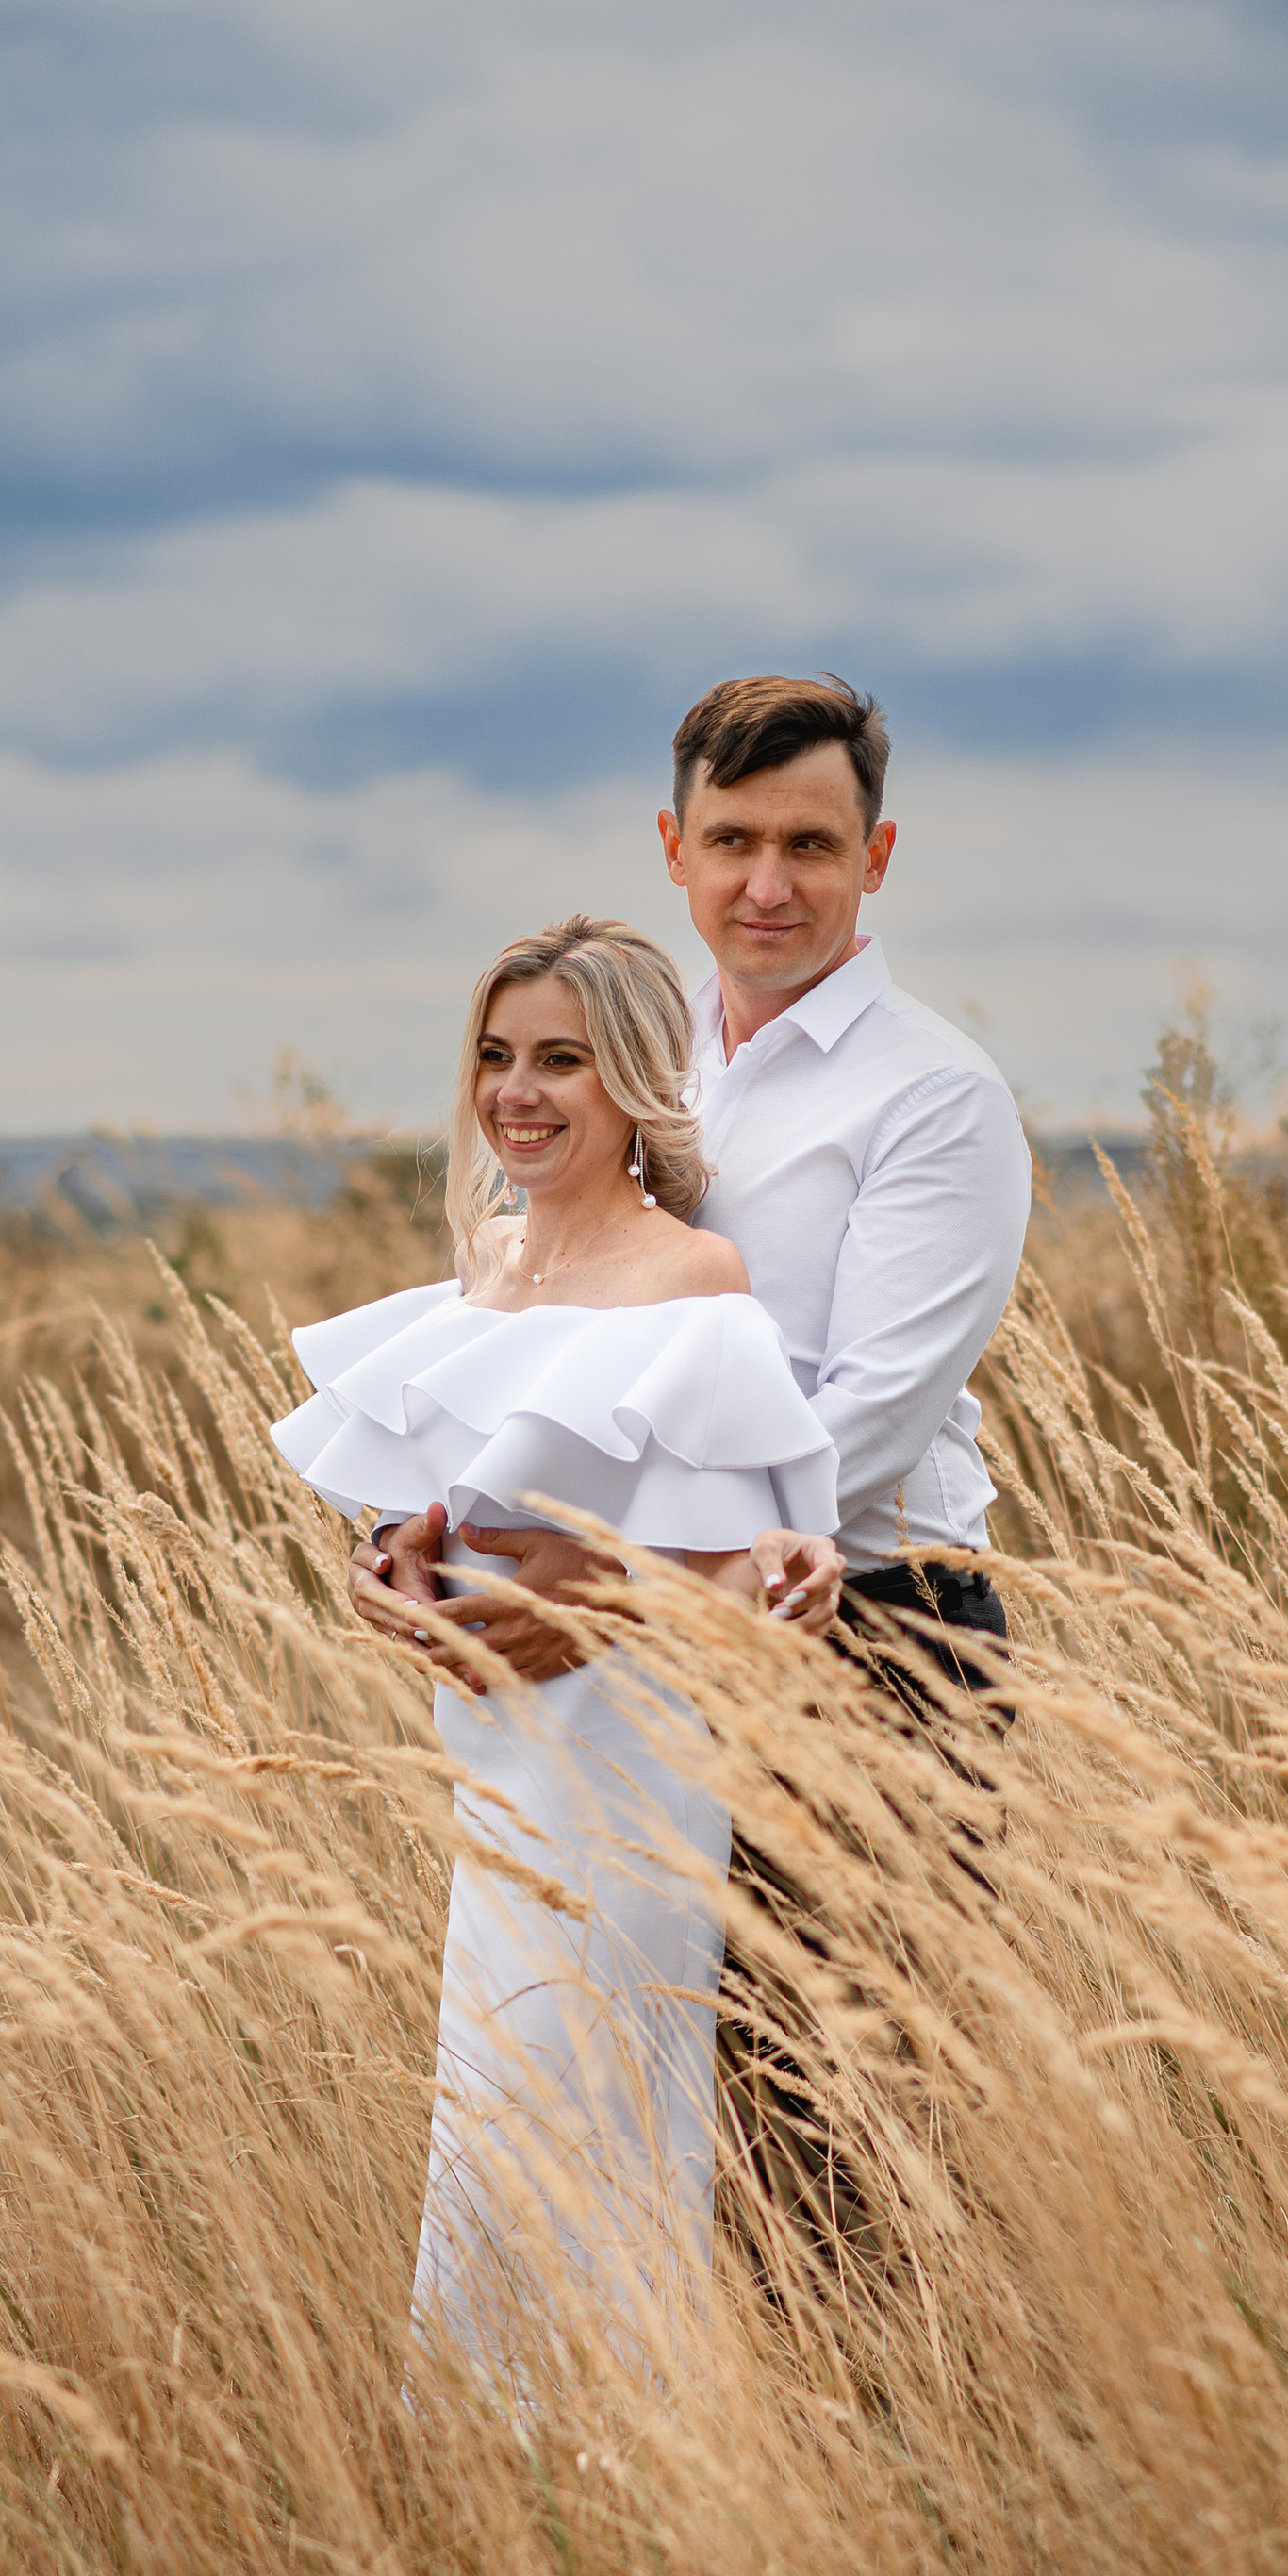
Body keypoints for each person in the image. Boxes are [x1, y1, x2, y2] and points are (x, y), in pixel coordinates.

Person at [345, 677, 1034, 2244]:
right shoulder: (647, 1065)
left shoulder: (935, 1096)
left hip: (868, 1638)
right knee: (634, 2106)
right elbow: (547, 1320)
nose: (769, 883)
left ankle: (874, 2477)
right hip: (626, 1671)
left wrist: (615, 1582)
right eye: (733, 840)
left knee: (831, 2147)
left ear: (879, 855)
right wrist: (425, 1527)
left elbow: (864, 1421)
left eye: (812, 842)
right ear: (673, 846)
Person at [272, 916, 845, 2376]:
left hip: (631, 1774)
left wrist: (601, 1596)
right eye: (496, 1057)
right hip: (501, 1773)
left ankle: (626, 2461)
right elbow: (456, 1502)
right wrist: (386, 1563)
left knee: (598, 2120)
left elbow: (741, 1581)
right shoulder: (493, 1258)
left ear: (638, 1081)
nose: (517, 1093)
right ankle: (491, 2473)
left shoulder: (692, 1275)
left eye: (562, 1063)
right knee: (489, 2116)